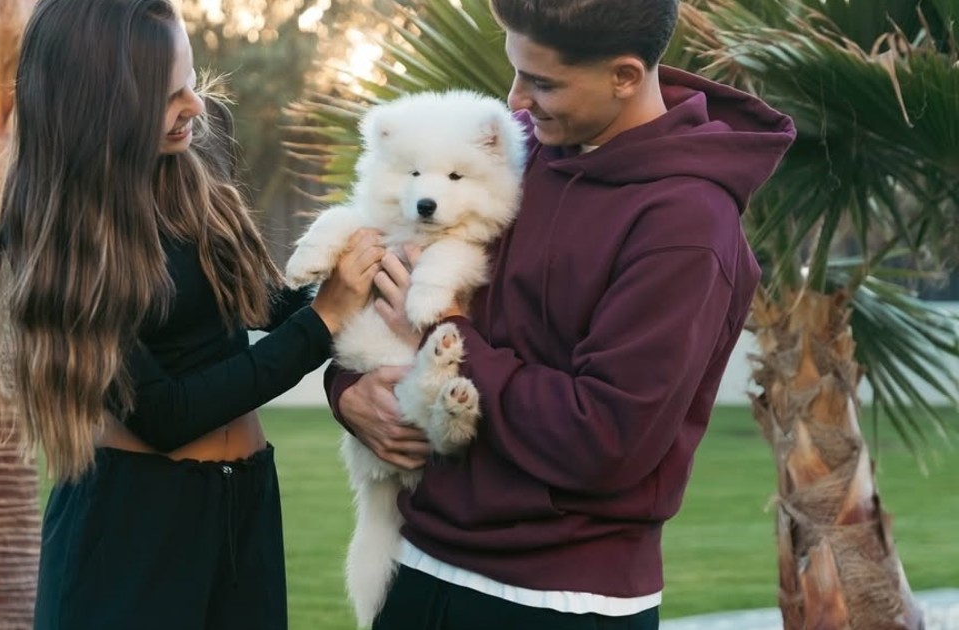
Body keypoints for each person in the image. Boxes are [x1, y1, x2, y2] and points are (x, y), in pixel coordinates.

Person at [325, 0, 796, 628]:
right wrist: (348, 393)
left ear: (624, 76)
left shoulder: (686, 225)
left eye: (543, 82)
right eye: (516, 70)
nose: (516, 100)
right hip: (419, 561)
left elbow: (605, 439)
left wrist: (446, 329)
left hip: (557, 598)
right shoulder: (519, 153)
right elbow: (386, 287)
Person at [0, 0, 384, 628]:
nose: (195, 105)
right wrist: (322, 322)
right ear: (102, 106)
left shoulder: (189, 173)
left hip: (245, 500)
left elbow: (261, 302)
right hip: (135, 526)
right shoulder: (58, 236)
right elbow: (164, 416)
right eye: (168, 96)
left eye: (190, 81)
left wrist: (360, 287)